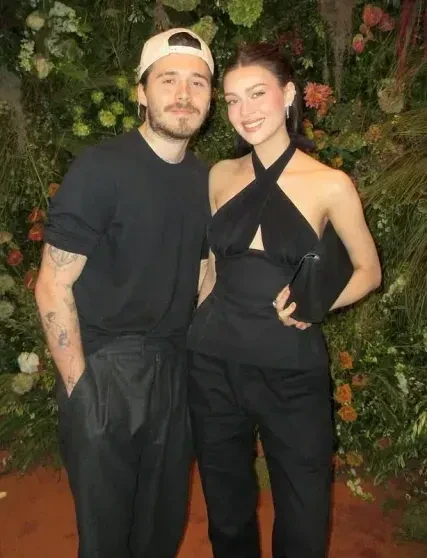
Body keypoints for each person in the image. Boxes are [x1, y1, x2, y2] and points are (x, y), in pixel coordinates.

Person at [187, 42, 381, 558]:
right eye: (232, 100)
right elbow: (212, 269)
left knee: (303, 510)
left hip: (291, 369)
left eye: (257, 94)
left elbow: (369, 271)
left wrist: (314, 305)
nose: (244, 111)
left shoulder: (330, 184)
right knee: (226, 509)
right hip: (212, 362)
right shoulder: (219, 175)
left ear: (289, 94)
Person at [35, 28, 214, 558]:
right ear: (141, 92)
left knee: (161, 526)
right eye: (168, 80)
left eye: (197, 82)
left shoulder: (205, 179)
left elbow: (205, 272)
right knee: (107, 536)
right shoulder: (101, 168)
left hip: (174, 370)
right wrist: (81, 391)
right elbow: (53, 283)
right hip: (106, 368)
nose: (183, 94)